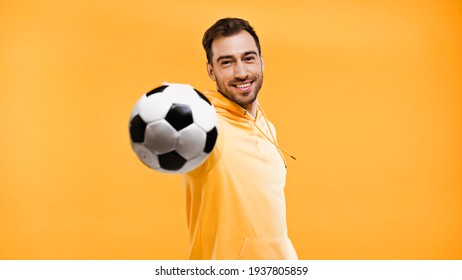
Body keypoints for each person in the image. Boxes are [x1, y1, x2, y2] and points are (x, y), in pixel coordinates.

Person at [183, 17, 298, 260]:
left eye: (248, 58)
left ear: (262, 61)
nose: (241, 72)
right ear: (211, 70)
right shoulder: (206, 127)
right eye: (227, 62)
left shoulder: (268, 128)